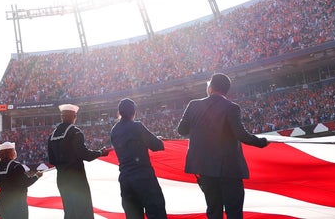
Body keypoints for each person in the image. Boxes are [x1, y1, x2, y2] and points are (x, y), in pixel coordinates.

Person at [175, 73, 270, 219]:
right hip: (229, 169)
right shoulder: (232, 107)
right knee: (234, 211)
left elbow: (181, 130)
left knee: (213, 210)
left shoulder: (193, 105)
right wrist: (262, 142)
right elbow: (241, 135)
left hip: (205, 169)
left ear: (211, 88)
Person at [47, 104, 109, 219]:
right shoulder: (75, 132)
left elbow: (52, 160)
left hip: (62, 179)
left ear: (62, 117)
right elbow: (84, 155)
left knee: (69, 211)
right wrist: (100, 152)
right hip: (76, 179)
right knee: (83, 211)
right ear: (74, 117)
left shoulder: (51, 136)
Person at [109, 98, 165, 219]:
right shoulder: (136, 126)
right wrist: (159, 140)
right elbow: (156, 145)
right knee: (156, 212)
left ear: (119, 112)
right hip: (143, 177)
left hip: (125, 180)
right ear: (133, 112)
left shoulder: (114, 131)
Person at [0, 141, 41, 219]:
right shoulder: (16, 166)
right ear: (12, 152)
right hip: (16, 200)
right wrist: (37, 176)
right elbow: (25, 183)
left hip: (2, 199)